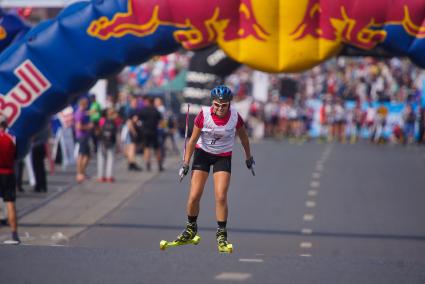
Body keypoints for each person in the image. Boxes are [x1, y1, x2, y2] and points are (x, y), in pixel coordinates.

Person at [175, 85, 255, 252]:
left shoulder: (235, 116)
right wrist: (185, 163)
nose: (219, 108)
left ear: (229, 104)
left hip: (222, 156)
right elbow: (192, 140)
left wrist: (249, 158)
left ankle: (221, 235)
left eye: (223, 105)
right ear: (212, 103)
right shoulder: (203, 115)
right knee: (195, 195)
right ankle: (190, 229)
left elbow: (244, 139)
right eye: (217, 105)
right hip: (202, 154)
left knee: (220, 196)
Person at [0, 114, 20, 244]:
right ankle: (14, 234)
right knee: (10, 203)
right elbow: (16, 156)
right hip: (9, 173)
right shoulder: (11, 138)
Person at [139, 96, 163, 172]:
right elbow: (161, 122)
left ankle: (148, 164)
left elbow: (138, 120)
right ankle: (159, 165)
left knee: (147, 148)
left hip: (145, 132)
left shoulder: (143, 110)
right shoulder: (156, 110)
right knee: (157, 148)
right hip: (154, 131)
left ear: (147, 102)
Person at [74, 97, 93, 183]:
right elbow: (78, 127)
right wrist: (88, 126)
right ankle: (79, 173)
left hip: (85, 136)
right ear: (83, 104)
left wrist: (90, 113)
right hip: (82, 136)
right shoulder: (79, 114)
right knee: (82, 155)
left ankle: (82, 172)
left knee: (87, 155)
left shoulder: (82, 112)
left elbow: (85, 113)